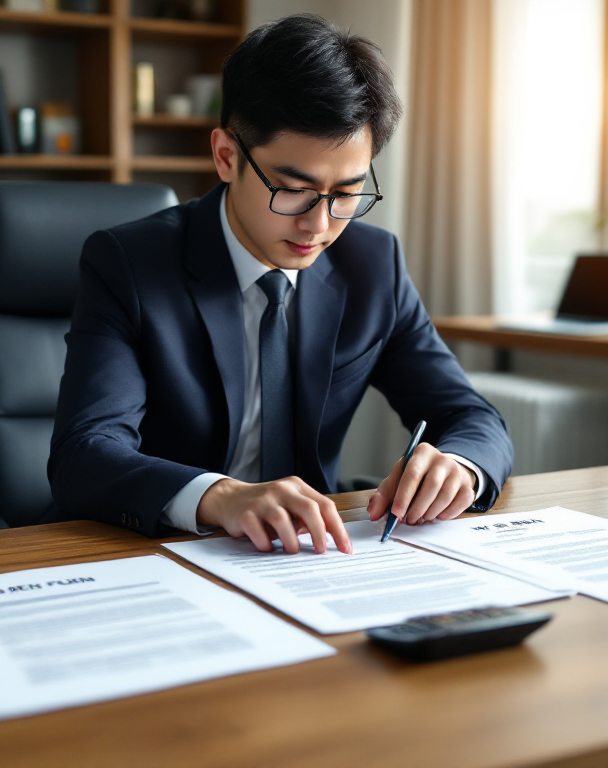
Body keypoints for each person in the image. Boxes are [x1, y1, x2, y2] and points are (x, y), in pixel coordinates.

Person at [47, 14, 513, 555]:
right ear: (226, 156)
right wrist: (221, 497)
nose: (319, 226)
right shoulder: (129, 263)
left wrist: (458, 466)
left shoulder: (373, 265)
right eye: (293, 189)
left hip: (308, 556)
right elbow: (86, 452)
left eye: (346, 192)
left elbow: (472, 417)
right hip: (153, 550)